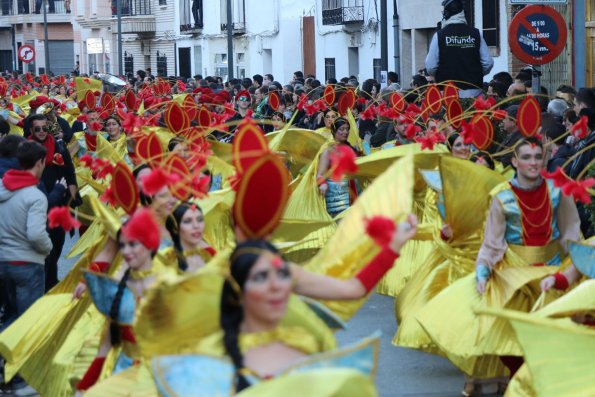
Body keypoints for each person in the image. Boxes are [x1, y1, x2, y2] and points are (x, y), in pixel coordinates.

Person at [418, 137, 582, 396]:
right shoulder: (501, 196)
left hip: (551, 274)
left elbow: (572, 236)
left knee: (550, 339)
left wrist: (572, 272)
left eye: (537, 156)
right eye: (525, 157)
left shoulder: (557, 191)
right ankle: (520, 385)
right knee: (509, 339)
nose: (532, 162)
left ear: (544, 159)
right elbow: (493, 242)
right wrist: (483, 271)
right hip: (513, 274)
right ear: (514, 162)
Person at [0, 140, 52, 397]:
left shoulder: (1, 187)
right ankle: (18, 381)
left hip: (3, 262)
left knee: (10, 316)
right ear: (39, 163)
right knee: (27, 323)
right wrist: (48, 246)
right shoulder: (35, 195)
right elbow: (35, 234)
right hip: (26, 264)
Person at [28, 114, 77, 291]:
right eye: (37, 128)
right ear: (31, 130)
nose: (42, 131)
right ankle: (44, 284)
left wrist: (70, 203)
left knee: (56, 246)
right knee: (40, 249)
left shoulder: (59, 146)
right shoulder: (25, 149)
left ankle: (50, 280)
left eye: (45, 128)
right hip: (35, 205)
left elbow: (70, 174)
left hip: (59, 205)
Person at [425, 0, 493, 97]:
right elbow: (488, 63)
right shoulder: (476, 33)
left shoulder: (439, 36)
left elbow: (430, 66)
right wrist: (474, 73)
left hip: (447, 93)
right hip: (474, 92)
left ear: (446, 13)